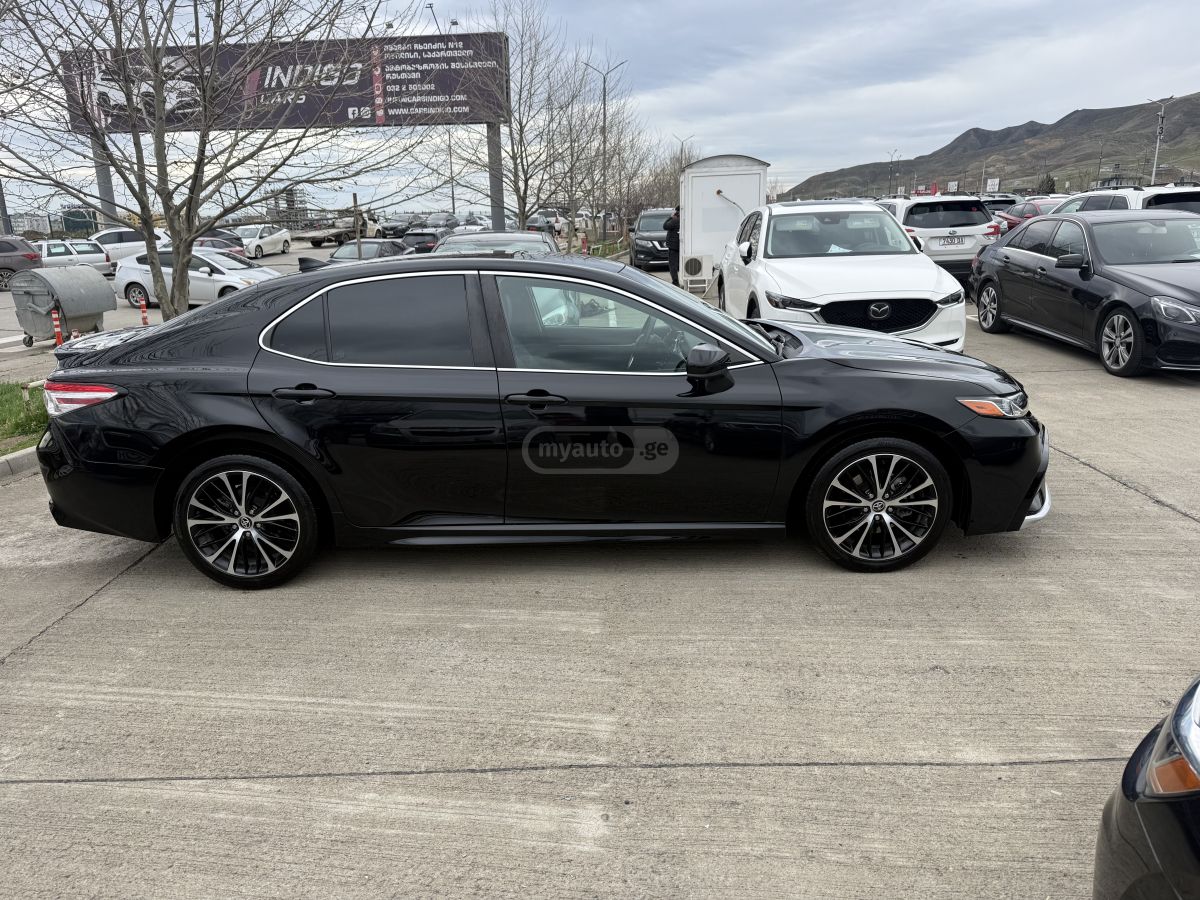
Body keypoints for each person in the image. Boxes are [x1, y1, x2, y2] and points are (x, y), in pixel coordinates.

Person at [663, 206, 681, 286]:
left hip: (673, 247)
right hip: (679, 246)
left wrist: (670, 217)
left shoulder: (675, 220)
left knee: (672, 265)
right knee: (678, 264)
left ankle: (675, 281)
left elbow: (665, 226)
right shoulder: (682, 220)